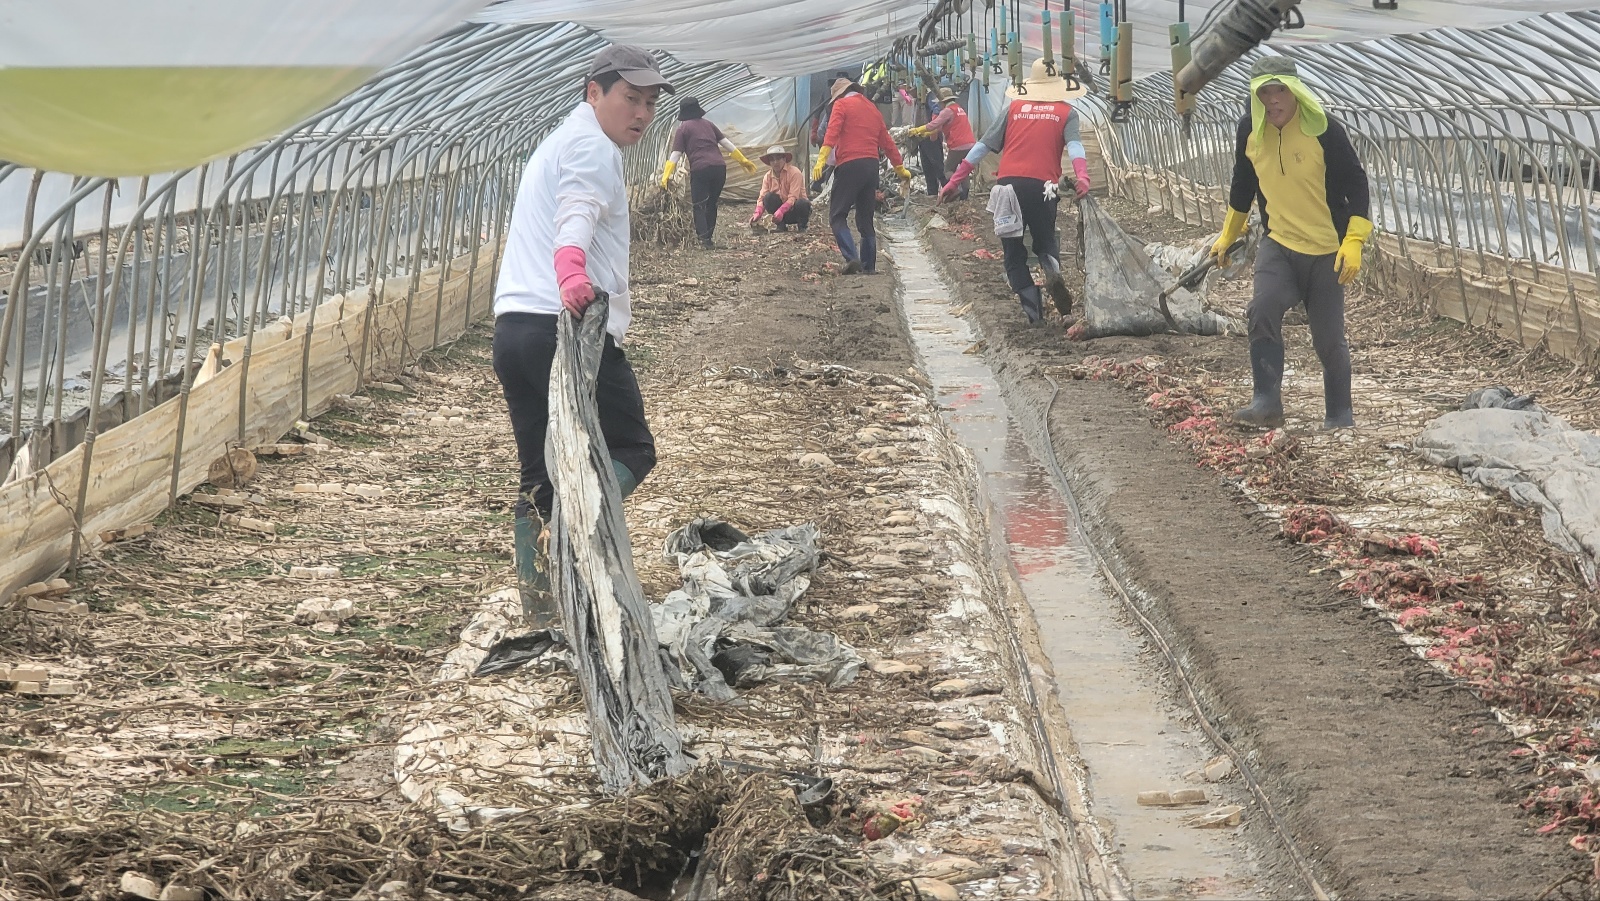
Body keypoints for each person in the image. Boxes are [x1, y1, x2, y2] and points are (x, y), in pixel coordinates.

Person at [491, 45, 673, 627]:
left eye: (649, 102)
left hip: (512, 330)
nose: (642, 113)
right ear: (593, 92)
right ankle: (574, 536)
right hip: (561, 328)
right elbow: (577, 213)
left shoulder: (558, 141)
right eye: (630, 98)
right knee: (632, 448)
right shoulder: (593, 147)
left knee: (536, 474)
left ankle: (541, 609)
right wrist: (571, 269)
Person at [1211, 56, 1371, 430]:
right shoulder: (1250, 130)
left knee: (1328, 339)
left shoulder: (1324, 130)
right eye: (1264, 92)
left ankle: (1339, 415)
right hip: (1279, 243)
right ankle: (1266, 402)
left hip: (1326, 250)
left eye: (1280, 89)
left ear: (1295, 90)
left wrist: (1355, 241)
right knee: (1262, 308)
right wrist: (1228, 235)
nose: (1273, 100)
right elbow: (1243, 184)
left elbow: (1356, 183)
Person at [941, 59, 1090, 323]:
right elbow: (1076, 147)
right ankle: (1050, 269)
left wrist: (955, 180)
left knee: (1013, 252)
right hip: (1044, 186)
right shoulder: (1067, 113)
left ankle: (1032, 307)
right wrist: (1082, 177)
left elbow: (982, 147)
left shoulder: (1014, 109)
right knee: (1045, 242)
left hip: (1008, 187)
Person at [813, 76, 912, 275]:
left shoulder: (841, 105)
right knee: (865, 219)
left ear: (839, 95)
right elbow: (887, 142)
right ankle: (869, 266)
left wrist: (821, 158)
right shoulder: (872, 109)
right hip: (871, 166)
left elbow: (832, 133)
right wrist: (900, 169)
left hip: (850, 164)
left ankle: (852, 257)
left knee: (837, 215)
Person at [661, 96, 758, 248]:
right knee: (712, 203)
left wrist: (667, 174)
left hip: (700, 169)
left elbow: (676, 154)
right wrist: (742, 160)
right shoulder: (709, 124)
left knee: (699, 205)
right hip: (719, 169)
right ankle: (709, 239)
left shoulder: (683, 128)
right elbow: (726, 143)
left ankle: (704, 240)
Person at [910, 86, 976, 200]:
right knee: (963, 170)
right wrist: (926, 134)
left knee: (948, 170)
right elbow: (940, 127)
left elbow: (934, 124)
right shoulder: (958, 108)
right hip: (970, 144)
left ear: (943, 101)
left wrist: (918, 130)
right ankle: (965, 196)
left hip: (958, 145)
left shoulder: (947, 110)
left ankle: (955, 190)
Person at [749, 145, 812, 231]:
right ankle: (781, 226)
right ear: (769, 162)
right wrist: (757, 213)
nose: (775, 162)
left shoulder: (795, 173)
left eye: (778, 159)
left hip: (797, 211)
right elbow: (761, 198)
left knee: (802, 203)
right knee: (768, 197)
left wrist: (781, 210)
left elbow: (793, 197)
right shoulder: (767, 177)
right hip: (779, 215)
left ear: (784, 159)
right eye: (772, 159)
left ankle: (802, 226)